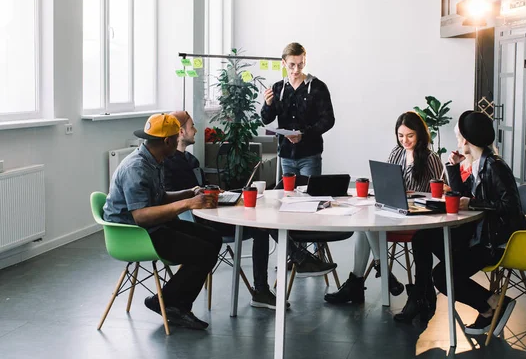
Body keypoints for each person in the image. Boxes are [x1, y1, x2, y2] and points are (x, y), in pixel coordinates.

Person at [163, 111, 336, 300]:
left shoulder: (191, 160)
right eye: (191, 126)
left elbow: (205, 189)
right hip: (200, 222)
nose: (196, 130)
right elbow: (173, 198)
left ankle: (292, 265)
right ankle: (286, 271)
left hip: (214, 209)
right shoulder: (168, 164)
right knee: (260, 226)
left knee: (263, 215)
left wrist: (222, 193)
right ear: (180, 132)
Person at [394, 111, 526, 338]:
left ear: (466, 140)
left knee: (442, 276)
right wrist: (454, 167)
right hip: (477, 235)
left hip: (493, 243)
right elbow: (461, 195)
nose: (457, 142)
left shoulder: (495, 166)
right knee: (422, 238)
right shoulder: (478, 164)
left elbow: (511, 207)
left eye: (458, 138)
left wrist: (475, 202)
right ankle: (421, 296)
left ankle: (492, 304)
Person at [103, 113, 221, 330]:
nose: (179, 140)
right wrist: (187, 205)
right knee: (203, 251)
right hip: (135, 234)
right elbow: (141, 216)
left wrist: (189, 193)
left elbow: (159, 198)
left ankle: (171, 301)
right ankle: (172, 304)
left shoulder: (155, 159)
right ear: (167, 141)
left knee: (213, 238)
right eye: (176, 137)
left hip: (153, 225)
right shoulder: (136, 168)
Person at [324, 112, 445, 304]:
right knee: (363, 223)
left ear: (420, 134)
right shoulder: (396, 152)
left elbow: (437, 193)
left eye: (410, 136)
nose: (405, 140)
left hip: (417, 216)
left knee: (367, 226)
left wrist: (411, 194)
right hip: (393, 209)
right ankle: (378, 272)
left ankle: (361, 281)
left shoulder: (430, 158)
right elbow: (389, 182)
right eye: (400, 135)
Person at [261, 42, 335, 176]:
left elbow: (328, 120)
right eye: (292, 65)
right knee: (286, 196)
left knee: (309, 195)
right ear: (283, 63)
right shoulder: (278, 88)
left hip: (310, 155)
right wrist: (268, 103)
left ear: (305, 61)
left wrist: (303, 134)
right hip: (286, 155)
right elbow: (266, 119)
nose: (296, 69)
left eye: (301, 64)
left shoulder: (318, 87)